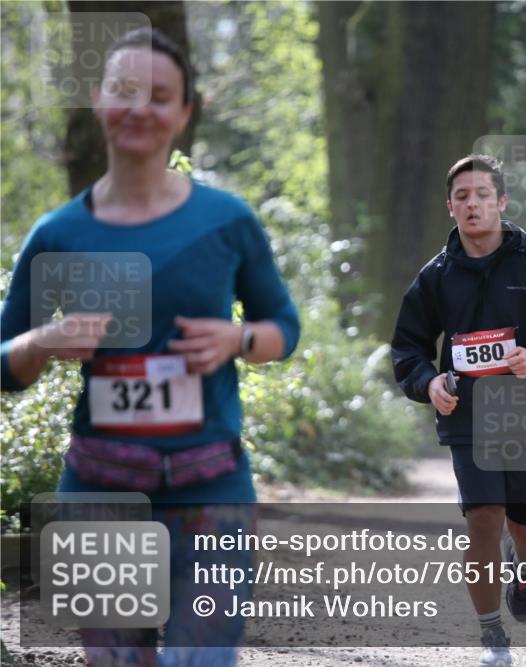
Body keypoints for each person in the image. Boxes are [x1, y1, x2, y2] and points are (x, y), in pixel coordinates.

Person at [0, 27, 300, 667]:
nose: (140, 108)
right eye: (125, 90)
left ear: (186, 112)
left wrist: (239, 338)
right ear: (99, 98)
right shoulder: (58, 233)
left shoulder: (227, 221)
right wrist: (45, 340)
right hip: (100, 491)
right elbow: (4, 364)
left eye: (160, 96)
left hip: (211, 489)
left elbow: (284, 328)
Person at [391, 154, 526, 667]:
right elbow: (408, 346)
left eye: (481, 195)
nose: (472, 204)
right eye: (462, 197)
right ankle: (491, 634)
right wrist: (429, 382)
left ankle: (525, 568)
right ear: (450, 207)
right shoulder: (436, 276)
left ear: (501, 202)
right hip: (469, 416)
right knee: (483, 519)